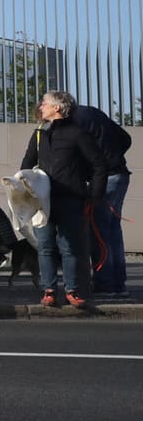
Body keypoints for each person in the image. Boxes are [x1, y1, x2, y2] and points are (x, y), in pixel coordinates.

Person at [20, 89, 106, 308]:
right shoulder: (39, 133)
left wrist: (95, 194)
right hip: (43, 201)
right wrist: (25, 187)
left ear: (57, 107)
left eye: (44, 103)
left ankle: (72, 290)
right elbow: (26, 164)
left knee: (69, 247)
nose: (41, 107)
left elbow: (98, 165)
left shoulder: (78, 134)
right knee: (45, 246)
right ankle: (49, 291)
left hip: (71, 198)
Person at [72, 102, 131, 299]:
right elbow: (125, 138)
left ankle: (105, 284)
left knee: (99, 232)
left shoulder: (74, 121)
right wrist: (112, 156)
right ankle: (118, 283)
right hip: (120, 174)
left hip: (103, 178)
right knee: (113, 231)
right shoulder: (93, 114)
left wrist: (99, 164)